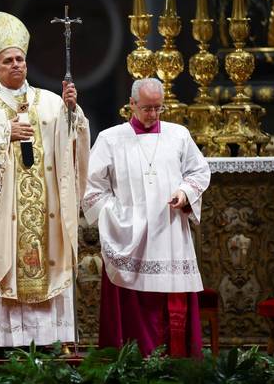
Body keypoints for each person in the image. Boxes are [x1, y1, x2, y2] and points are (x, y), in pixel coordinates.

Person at [0, 12, 90, 349]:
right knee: (6, 262)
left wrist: (73, 113)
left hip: (47, 212)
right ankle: (5, 343)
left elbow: (73, 144)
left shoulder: (52, 101)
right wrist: (3, 133)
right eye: (8, 60)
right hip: (3, 217)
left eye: (20, 59)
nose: (16, 65)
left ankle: (49, 341)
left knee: (47, 260)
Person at [82, 78, 210, 357]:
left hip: (170, 230)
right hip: (129, 234)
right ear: (131, 105)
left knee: (170, 301)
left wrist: (185, 193)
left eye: (158, 108)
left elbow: (199, 172)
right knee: (133, 303)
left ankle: (176, 361)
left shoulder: (178, 135)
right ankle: (131, 360)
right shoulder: (110, 138)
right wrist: (116, 216)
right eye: (146, 108)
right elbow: (92, 188)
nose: (153, 114)